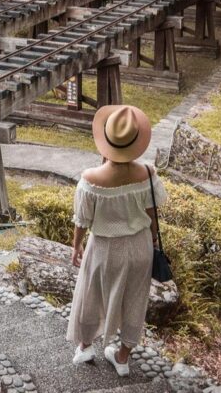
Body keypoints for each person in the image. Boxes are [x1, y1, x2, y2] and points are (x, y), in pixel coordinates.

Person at [67, 104, 166, 377]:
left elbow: (82, 221)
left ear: (106, 141)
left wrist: (76, 246)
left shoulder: (91, 179)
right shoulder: (147, 174)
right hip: (139, 247)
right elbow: (152, 216)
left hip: (103, 247)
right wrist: (153, 241)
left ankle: (85, 347)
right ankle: (122, 358)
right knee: (134, 300)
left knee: (91, 295)